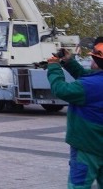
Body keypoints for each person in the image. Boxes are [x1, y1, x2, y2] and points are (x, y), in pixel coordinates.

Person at [47, 38, 103, 189]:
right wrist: (69, 62)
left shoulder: (90, 86)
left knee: (78, 186)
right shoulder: (94, 82)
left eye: (94, 58)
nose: (91, 60)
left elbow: (60, 89)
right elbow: (88, 77)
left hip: (87, 148)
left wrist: (54, 67)